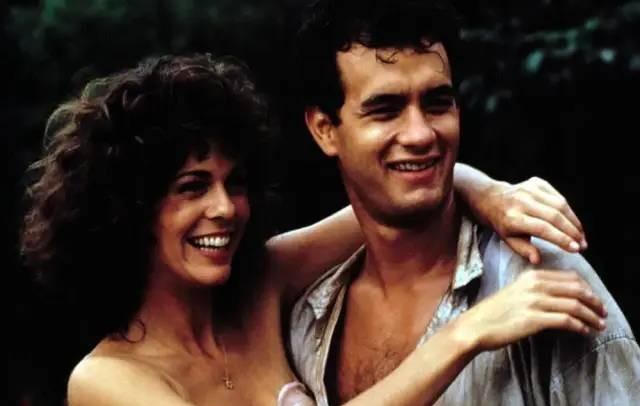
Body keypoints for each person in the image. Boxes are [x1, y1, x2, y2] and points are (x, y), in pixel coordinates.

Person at [22, 54, 594, 406]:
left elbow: (391, 201)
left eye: (234, 183)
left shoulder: (260, 283)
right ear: (128, 208)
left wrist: (491, 194)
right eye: (192, 187)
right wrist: (465, 335)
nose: (225, 208)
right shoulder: (106, 380)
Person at [289, 0, 640, 405]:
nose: (420, 134)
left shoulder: (540, 281)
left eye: (437, 103)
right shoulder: (307, 319)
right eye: (386, 110)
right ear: (324, 130)